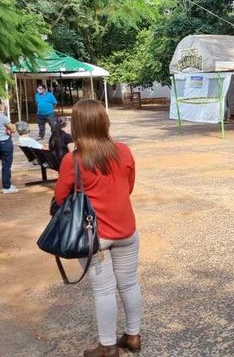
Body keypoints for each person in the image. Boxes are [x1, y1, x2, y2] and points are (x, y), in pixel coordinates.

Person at [54, 99, 142, 357]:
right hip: (127, 229)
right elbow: (128, 187)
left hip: (94, 236)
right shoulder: (124, 151)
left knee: (103, 290)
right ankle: (133, 336)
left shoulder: (74, 160)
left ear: (77, 126)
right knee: (129, 284)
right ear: (105, 122)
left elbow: (61, 198)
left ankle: (107, 347)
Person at [1, 100, 18, 194]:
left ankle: (7, 185)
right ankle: (7, 187)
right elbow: (13, 129)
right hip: (4, 142)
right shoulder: (3, 117)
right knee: (6, 165)